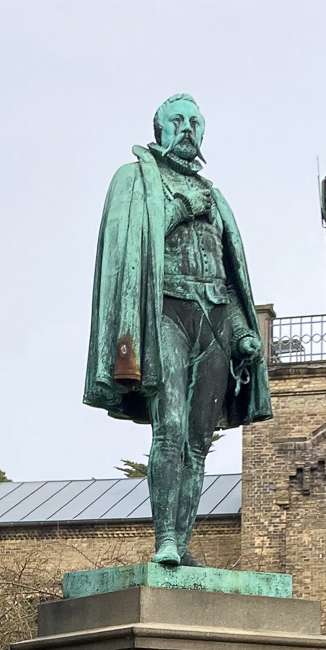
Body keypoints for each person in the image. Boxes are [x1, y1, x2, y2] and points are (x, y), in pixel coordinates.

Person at [83, 93, 272, 567]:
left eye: (195, 122)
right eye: (178, 121)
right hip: (164, 313)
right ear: (160, 129)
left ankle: (183, 545)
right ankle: (165, 539)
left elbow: (229, 275)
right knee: (169, 429)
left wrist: (241, 331)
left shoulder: (216, 197)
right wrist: (182, 208)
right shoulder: (136, 179)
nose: (187, 128)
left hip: (215, 320)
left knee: (198, 442)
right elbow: (132, 246)